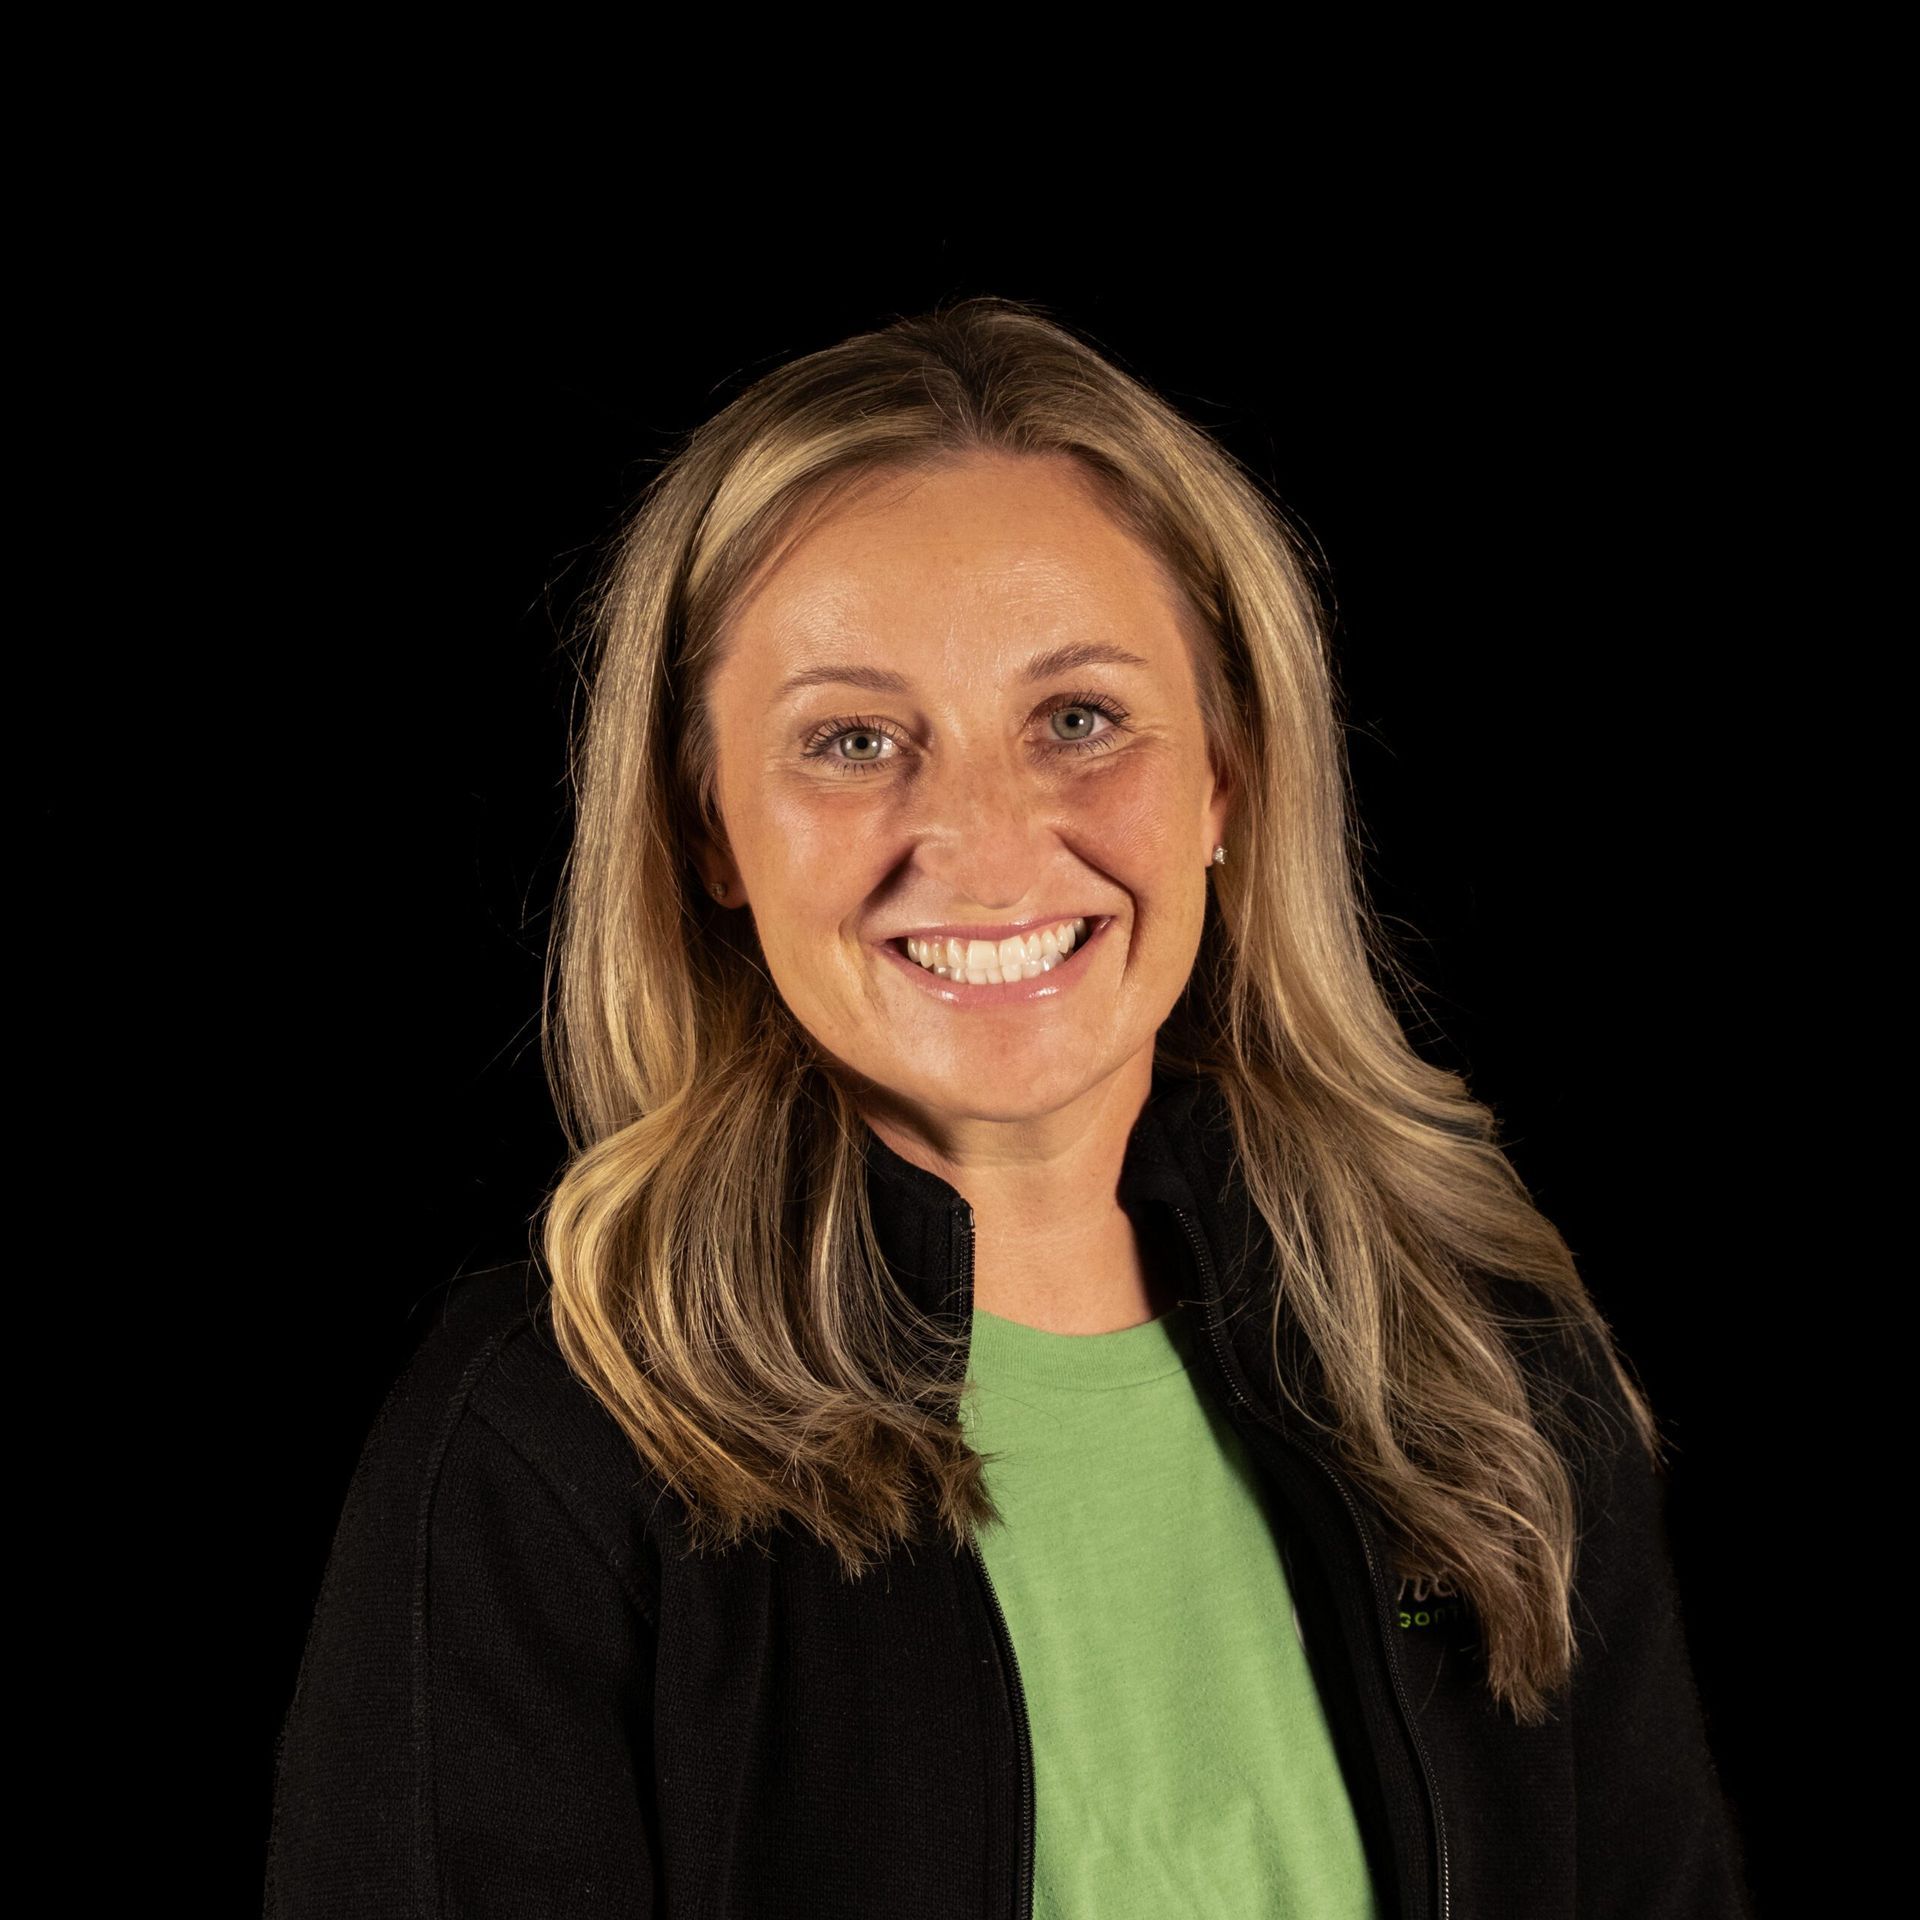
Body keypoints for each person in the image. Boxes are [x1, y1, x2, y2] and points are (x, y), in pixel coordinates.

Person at [262, 295, 1755, 1917]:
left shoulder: (1481, 1377)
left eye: (1079, 719)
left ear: (1225, 782)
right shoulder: (549, 1443)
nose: (980, 842)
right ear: (707, 831)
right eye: (851, 739)